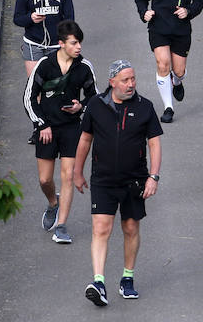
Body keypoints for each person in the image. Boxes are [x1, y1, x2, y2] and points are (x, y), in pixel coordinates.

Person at [73, 59, 163, 305]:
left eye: (133, 79)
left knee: (131, 228)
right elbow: (84, 140)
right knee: (101, 228)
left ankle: (127, 278)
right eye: (125, 80)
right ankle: (99, 282)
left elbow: (154, 143)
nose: (131, 84)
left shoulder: (145, 107)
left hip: (134, 180)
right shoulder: (95, 105)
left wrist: (153, 177)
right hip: (103, 180)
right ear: (112, 82)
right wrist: (77, 172)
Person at [25, 20, 96, 245]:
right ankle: (53, 203)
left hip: (72, 128)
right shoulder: (44, 65)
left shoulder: (84, 67)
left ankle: (62, 226)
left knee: (67, 175)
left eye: (79, 43)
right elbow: (28, 98)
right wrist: (41, 124)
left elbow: (94, 97)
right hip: (47, 128)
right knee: (45, 179)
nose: (78, 48)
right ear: (61, 44)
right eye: (74, 43)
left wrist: (80, 107)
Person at [132, 0, 203, 123]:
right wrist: (144, 13)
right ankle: (168, 107)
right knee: (163, 64)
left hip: (181, 30)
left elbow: (200, 0)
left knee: (179, 70)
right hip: (158, 28)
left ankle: (177, 81)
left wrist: (188, 11)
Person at [12, 0, 76, 76]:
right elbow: (17, 18)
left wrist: (66, 40)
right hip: (33, 44)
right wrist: (30, 18)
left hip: (56, 45)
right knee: (36, 84)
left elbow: (70, 18)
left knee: (55, 85)